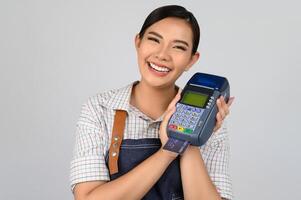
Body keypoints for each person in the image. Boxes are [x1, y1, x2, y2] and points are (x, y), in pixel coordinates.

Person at [70, 5, 234, 200]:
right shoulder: (100, 109)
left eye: (178, 47)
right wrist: (168, 151)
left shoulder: (210, 124)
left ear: (191, 60)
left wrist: (189, 140)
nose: (162, 55)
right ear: (138, 42)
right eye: (154, 40)